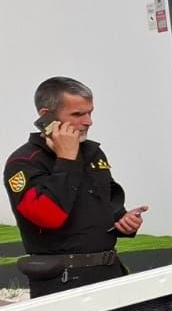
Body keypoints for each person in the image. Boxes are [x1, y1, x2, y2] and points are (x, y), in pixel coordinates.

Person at [5, 77, 146, 297]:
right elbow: (48, 216)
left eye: (90, 112)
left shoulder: (92, 153)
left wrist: (124, 221)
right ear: (46, 116)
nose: (88, 121)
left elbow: (108, 204)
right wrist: (66, 160)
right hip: (61, 281)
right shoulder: (24, 162)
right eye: (78, 114)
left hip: (108, 273)